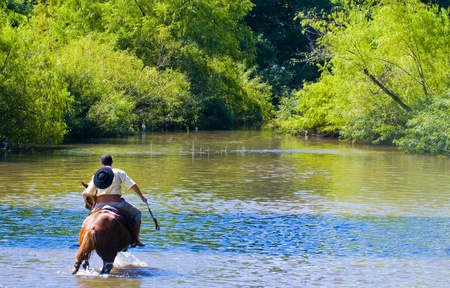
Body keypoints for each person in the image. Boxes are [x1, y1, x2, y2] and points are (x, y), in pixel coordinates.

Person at [82, 154, 147, 247]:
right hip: (117, 203)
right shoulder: (119, 172)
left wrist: (87, 198)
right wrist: (141, 196)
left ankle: (84, 238)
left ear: (101, 163)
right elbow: (133, 185)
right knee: (137, 213)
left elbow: (87, 193)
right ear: (112, 162)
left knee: (88, 219)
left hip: (99, 205)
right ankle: (135, 239)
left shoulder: (97, 174)